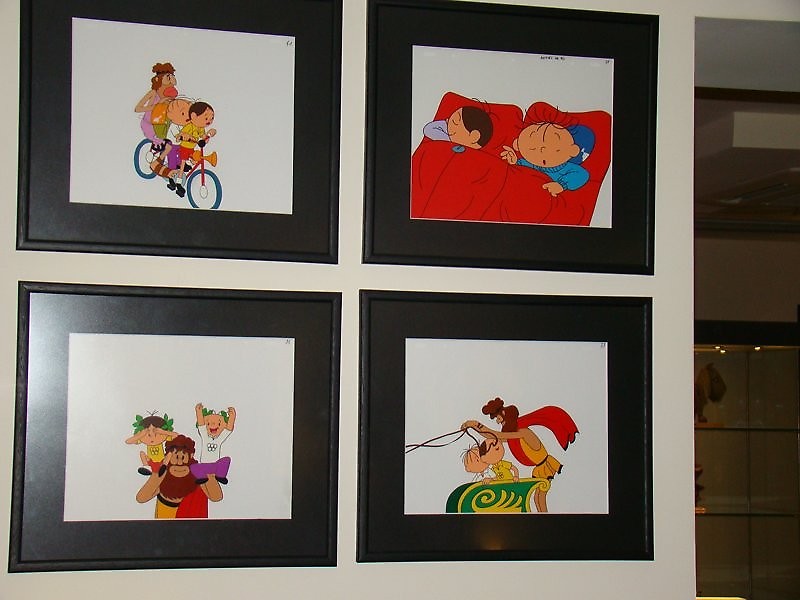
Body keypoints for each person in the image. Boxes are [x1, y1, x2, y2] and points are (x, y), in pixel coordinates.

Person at [462, 396, 578, 513]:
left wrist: (475, 424)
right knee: (537, 498)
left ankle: (545, 517)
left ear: (504, 414)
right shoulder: (516, 434)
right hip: (539, 468)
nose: (498, 422)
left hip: (545, 466)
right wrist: (474, 427)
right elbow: (494, 437)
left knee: (539, 497)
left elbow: (497, 435)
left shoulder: (523, 433)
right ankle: (543, 516)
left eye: (499, 418)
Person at [500, 102, 595, 196]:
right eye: (533, 147)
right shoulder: (529, 163)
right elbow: (521, 169)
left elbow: (582, 175)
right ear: (517, 145)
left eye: (556, 148)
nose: (542, 149)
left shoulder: (570, 168)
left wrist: (561, 185)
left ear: (573, 151)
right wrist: (514, 162)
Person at [136, 434, 222, 519]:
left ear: (191, 456)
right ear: (168, 456)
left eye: (183, 457)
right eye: (176, 457)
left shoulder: (198, 475)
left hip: (193, 526)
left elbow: (216, 497)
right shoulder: (163, 476)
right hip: (165, 525)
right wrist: (156, 473)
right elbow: (141, 498)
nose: (180, 463)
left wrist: (209, 473)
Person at [134, 62, 179, 151]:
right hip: (150, 125)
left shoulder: (170, 95)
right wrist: (157, 105)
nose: (171, 80)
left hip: (162, 126)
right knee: (167, 147)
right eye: (168, 77)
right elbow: (138, 108)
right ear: (158, 79)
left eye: (172, 76)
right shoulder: (154, 93)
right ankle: (158, 159)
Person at [191, 403, 236, 485]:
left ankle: (220, 476)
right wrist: (199, 412)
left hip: (216, 465)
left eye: (219, 424)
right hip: (204, 465)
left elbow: (228, 430)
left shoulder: (219, 439)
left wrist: (232, 417)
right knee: (193, 466)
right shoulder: (205, 437)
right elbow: (201, 426)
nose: (213, 425)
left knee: (226, 460)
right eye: (208, 423)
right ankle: (202, 477)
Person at [176, 101, 216, 191]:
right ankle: (178, 183)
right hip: (184, 148)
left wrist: (209, 134)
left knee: (196, 159)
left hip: (192, 149)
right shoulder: (189, 126)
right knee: (183, 163)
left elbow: (203, 136)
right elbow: (179, 136)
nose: (209, 121)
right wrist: (183, 136)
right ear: (194, 116)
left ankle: (188, 167)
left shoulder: (201, 128)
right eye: (206, 118)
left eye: (211, 118)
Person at [423, 106, 494, 150]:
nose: (448, 124)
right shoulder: (449, 136)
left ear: (474, 137)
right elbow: (429, 129)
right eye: (448, 121)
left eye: (454, 122)